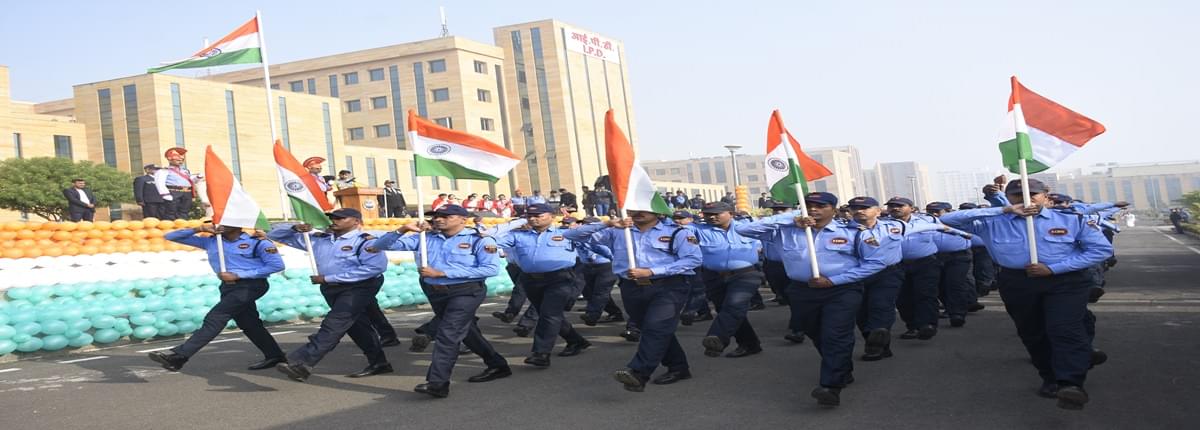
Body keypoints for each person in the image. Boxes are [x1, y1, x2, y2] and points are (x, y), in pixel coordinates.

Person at [941, 179, 1112, 410]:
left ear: (1045, 195)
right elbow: (945, 219)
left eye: (1032, 194)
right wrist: (1004, 208)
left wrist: (1053, 268)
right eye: (1017, 195)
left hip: (1065, 282)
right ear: (1009, 197)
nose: (1025, 199)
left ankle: (1070, 383)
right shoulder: (993, 222)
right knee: (1032, 331)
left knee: (1063, 328)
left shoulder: (1071, 219)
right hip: (1017, 281)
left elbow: (1101, 250)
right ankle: (1050, 376)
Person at [737, 192, 885, 406]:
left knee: (835, 334)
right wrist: (790, 217)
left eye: (820, 205)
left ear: (833, 210)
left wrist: (835, 281)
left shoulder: (854, 232)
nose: (813, 209)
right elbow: (743, 229)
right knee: (816, 333)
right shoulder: (786, 230)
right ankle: (842, 368)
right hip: (801, 290)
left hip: (841, 290)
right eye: (808, 205)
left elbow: (875, 263)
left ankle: (830, 386)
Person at [373, 205, 512, 397]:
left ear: (463, 219)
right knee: (466, 331)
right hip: (435, 291)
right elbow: (380, 246)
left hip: (466, 291)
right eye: (436, 216)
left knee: (448, 333)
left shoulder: (479, 240)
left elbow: (490, 269)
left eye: (446, 216)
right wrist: (403, 229)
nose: (439, 219)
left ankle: (437, 382)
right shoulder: (424, 237)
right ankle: (497, 364)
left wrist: (443, 273)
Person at [564, 209, 702, 392]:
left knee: (656, 326)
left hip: (668, 285)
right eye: (633, 209)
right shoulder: (618, 231)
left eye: (643, 209)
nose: (638, 213)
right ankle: (678, 367)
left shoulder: (677, 232)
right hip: (632, 286)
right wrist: (607, 223)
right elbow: (570, 234)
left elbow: (693, 259)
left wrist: (653, 271)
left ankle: (639, 373)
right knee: (655, 329)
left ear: (656, 211)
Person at [268, 208, 391, 382]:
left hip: (359, 287)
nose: (335, 220)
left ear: (356, 221)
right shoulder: (320, 239)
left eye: (341, 218)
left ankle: (303, 362)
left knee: (334, 323)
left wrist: (328, 277)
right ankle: (379, 362)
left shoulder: (365, 241)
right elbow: (274, 234)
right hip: (330, 287)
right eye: (333, 217)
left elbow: (375, 268)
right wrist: (294, 228)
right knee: (356, 325)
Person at [149, 223, 286, 372]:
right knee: (249, 323)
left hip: (251, 285)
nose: (219, 224)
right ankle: (275, 355)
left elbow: (276, 265)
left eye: (225, 221)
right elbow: (170, 236)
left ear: (238, 224)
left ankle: (179, 357)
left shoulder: (257, 242)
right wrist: (199, 229)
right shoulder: (212, 241)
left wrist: (239, 274)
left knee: (216, 317)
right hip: (228, 286)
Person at [492, 203, 592, 367]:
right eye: (530, 215)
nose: (533, 218)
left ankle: (541, 352)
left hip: (559, 279)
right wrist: (517, 222)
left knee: (549, 314)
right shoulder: (519, 235)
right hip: (531, 280)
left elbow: (589, 232)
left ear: (552, 217)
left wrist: (609, 223)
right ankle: (576, 341)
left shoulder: (565, 233)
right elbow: (492, 239)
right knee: (549, 314)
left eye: (538, 215)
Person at [693, 202, 764, 358]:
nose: (712, 217)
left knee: (734, 305)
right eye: (707, 214)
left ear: (731, 213)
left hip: (745, 274)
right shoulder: (698, 229)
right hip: (713, 276)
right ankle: (750, 344)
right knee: (728, 311)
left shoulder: (747, 228)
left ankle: (717, 337)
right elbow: (677, 230)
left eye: (717, 213)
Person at [845, 197, 904, 361]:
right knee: (861, 311)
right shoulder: (841, 230)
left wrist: (949, 229)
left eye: (865, 207)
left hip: (888, 272)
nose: (859, 210)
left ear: (878, 211)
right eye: (855, 207)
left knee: (881, 304)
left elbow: (926, 226)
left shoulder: (895, 226)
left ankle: (877, 339)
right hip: (856, 274)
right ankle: (878, 344)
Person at [884, 196, 943, 341]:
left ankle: (927, 325)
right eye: (891, 206)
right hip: (897, 265)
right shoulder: (882, 224)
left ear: (911, 208)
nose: (895, 208)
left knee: (926, 294)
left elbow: (943, 234)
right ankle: (912, 326)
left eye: (899, 205)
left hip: (926, 263)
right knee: (903, 298)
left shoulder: (927, 220)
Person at [925, 202, 977, 328]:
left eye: (937, 211)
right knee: (939, 285)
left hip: (959, 256)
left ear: (949, 211)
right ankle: (950, 308)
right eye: (931, 211)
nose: (934, 214)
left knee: (955, 284)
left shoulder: (960, 221)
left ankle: (957, 314)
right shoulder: (925, 222)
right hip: (935, 257)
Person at [575, 217, 626, 327]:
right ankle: (614, 312)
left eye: (588, 225)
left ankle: (592, 315)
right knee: (590, 292)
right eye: (584, 224)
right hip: (587, 266)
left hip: (606, 265)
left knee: (600, 291)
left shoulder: (605, 235)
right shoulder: (580, 236)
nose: (585, 227)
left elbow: (608, 251)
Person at [674, 211, 714, 326]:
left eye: (681, 218)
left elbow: (693, 246)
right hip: (678, 264)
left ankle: (689, 312)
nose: (677, 220)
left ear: (690, 219)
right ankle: (704, 312)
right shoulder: (674, 229)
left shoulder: (692, 229)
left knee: (696, 289)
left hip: (694, 264)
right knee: (692, 289)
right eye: (675, 218)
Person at [155, 148, 203, 220]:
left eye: (181, 160)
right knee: (171, 211)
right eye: (177, 160)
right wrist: (165, 194)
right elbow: (159, 183)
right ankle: (170, 227)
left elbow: (190, 180)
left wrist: (197, 177)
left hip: (186, 193)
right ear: (170, 159)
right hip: (173, 192)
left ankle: (182, 226)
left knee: (184, 211)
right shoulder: (163, 171)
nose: (180, 162)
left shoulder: (185, 171)